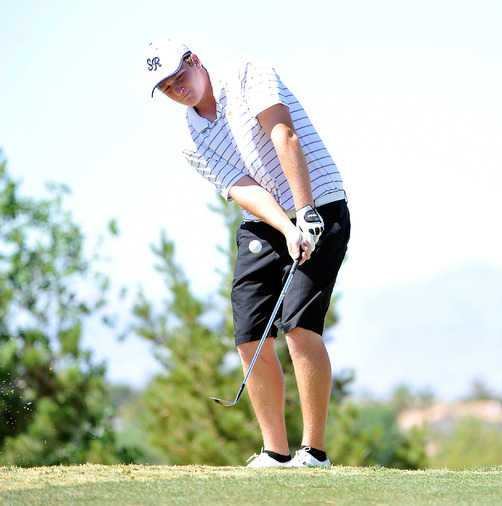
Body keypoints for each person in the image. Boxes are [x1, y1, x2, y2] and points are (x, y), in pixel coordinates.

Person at [143, 38, 350, 468]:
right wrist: (284, 226)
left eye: (179, 76)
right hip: (267, 220)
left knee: (298, 325)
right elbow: (242, 186)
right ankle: (275, 452)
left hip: (319, 201)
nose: (177, 88)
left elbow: (283, 133)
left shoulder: (244, 71)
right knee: (250, 332)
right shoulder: (188, 138)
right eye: (166, 87)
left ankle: (314, 453)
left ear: (195, 60)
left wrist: (304, 213)